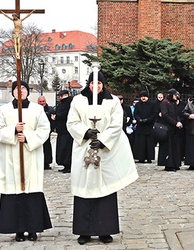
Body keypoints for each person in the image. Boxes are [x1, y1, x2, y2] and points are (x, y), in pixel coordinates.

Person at [67, 71, 138, 245]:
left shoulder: (112, 101)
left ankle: (105, 230)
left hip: (105, 151)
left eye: (99, 83)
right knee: (84, 190)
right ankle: (84, 231)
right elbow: (72, 122)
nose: (95, 86)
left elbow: (116, 124)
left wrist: (102, 140)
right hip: (84, 148)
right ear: (89, 84)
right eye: (92, 83)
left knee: (105, 189)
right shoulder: (78, 101)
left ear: (103, 85)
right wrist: (86, 132)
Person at [0, 80, 52, 242]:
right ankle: (17, 230)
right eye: (17, 89)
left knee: (31, 191)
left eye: (24, 88)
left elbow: (45, 129)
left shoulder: (37, 109)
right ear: (12, 92)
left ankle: (33, 228)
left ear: (28, 91)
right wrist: (13, 130)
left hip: (31, 155)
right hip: (10, 156)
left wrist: (28, 137)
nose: (21, 91)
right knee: (14, 192)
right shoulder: (4, 110)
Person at [157, 89, 183, 171]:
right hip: (168, 128)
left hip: (174, 129)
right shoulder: (165, 103)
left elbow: (176, 114)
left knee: (174, 147)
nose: (176, 97)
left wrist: (178, 121)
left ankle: (175, 163)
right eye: (175, 95)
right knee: (168, 147)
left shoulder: (173, 103)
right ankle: (169, 164)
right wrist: (175, 123)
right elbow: (165, 115)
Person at [51, 90, 73, 173]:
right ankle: (65, 164)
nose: (60, 97)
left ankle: (68, 165)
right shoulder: (62, 104)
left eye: (62, 95)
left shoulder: (69, 103)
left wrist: (57, 116)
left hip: (66, 130)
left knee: (66, 148)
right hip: (61, 130)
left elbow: (65, 114)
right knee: (62, 148)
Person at [133, 90, 158, 163]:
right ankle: (140, 157)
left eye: (145, 96)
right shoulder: (138, 104)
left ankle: (149, 158)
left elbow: (154, 114)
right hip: (140, 126)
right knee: (140, 143)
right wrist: (139, 119)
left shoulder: (152, 104)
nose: (143, 98)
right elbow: (135, 113)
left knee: (149, 143)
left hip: (149, 126)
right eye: (142, 96)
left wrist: (147, 120)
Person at [38, 96, 54, 170]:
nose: (42, 103)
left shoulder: (50, 109)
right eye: (40, 102)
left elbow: (53, 120)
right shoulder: (36, 109)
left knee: (47, 147)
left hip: (47, 131)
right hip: (38, 131)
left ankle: (47, 162)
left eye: (43, 101)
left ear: (45, 101)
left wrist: (51, 129)